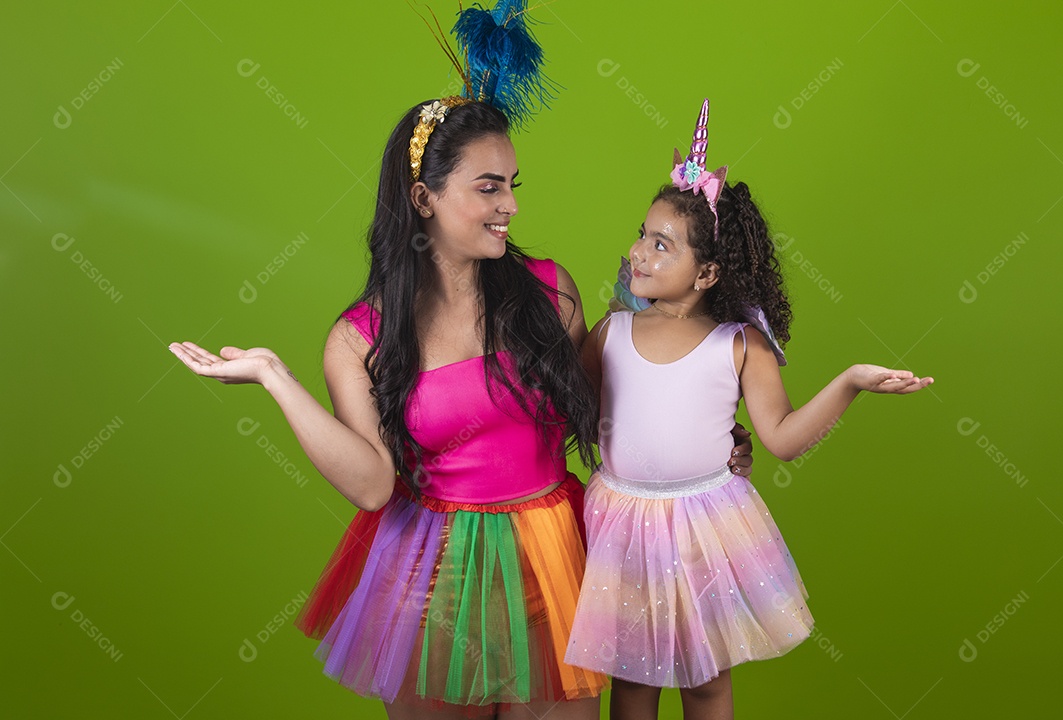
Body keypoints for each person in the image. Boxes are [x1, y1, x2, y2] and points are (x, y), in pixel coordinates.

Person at [169, 95, 754, 718]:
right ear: (424, 199)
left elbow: (613, 404)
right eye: (488, 187)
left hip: (552, 565)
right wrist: (275, 377)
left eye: (512, 185)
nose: (511, 205)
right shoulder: (361, 336)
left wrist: (710, 442)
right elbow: (371, 485)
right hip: (433, 582)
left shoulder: (551, 292)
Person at [563, 99, 934, 720]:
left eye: (662, 245)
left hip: (705, 527)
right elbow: (568, 409)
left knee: (706, 681)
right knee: (632, 682)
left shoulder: (739, 344)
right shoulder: (611, 332)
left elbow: (783, 438)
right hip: (622, 525)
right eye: (642, 235)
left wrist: (850, 381)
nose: (639, 253)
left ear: (707, 271)